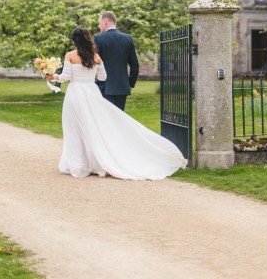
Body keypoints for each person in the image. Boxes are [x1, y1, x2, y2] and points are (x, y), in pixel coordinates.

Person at [49, 27, 186, 180]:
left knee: (74, 129)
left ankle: (78, 165)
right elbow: (102, 78)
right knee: (93, 127)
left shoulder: (70, 55)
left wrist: (51, 76)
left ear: (74, 41)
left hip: (75, 94)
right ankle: (96, 163)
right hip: (91, 93)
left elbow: (64, 77)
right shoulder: (96, 57)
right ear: (88, 39)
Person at [94, 11, 139, 111]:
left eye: (99, 23)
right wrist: (130, 83)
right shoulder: (128, 38)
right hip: (122, 87)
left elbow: (96, 64)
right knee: (119, 118)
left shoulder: (98, 38)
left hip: (104, 87)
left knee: (106, 119)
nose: (98, 26)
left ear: (105, 22)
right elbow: (135, 65)